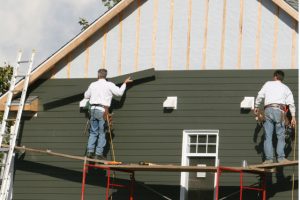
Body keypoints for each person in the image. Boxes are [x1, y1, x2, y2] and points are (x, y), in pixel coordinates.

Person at [84, 68, 132, 160]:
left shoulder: (93, 84)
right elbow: (119, 93)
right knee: (102, 133)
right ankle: (98, 154)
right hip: (103, 111)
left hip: (93, 110)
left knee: (93, 132)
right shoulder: (109, 84)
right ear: (106, 76)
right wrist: (125, 83)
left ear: (98, 75)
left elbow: (86, 96)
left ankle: (90, 152)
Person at [254, 70, 296, 164]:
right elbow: (291, 103)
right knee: (280, 136)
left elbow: (260, 95)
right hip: (280, 111)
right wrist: (293, 116)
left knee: (268, 136)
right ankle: (281, 158)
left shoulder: (268, 84)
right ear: (282, 78)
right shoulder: (286, 88)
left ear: (275, 76)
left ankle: (269, 159)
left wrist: (256, 106)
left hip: (268, 110)